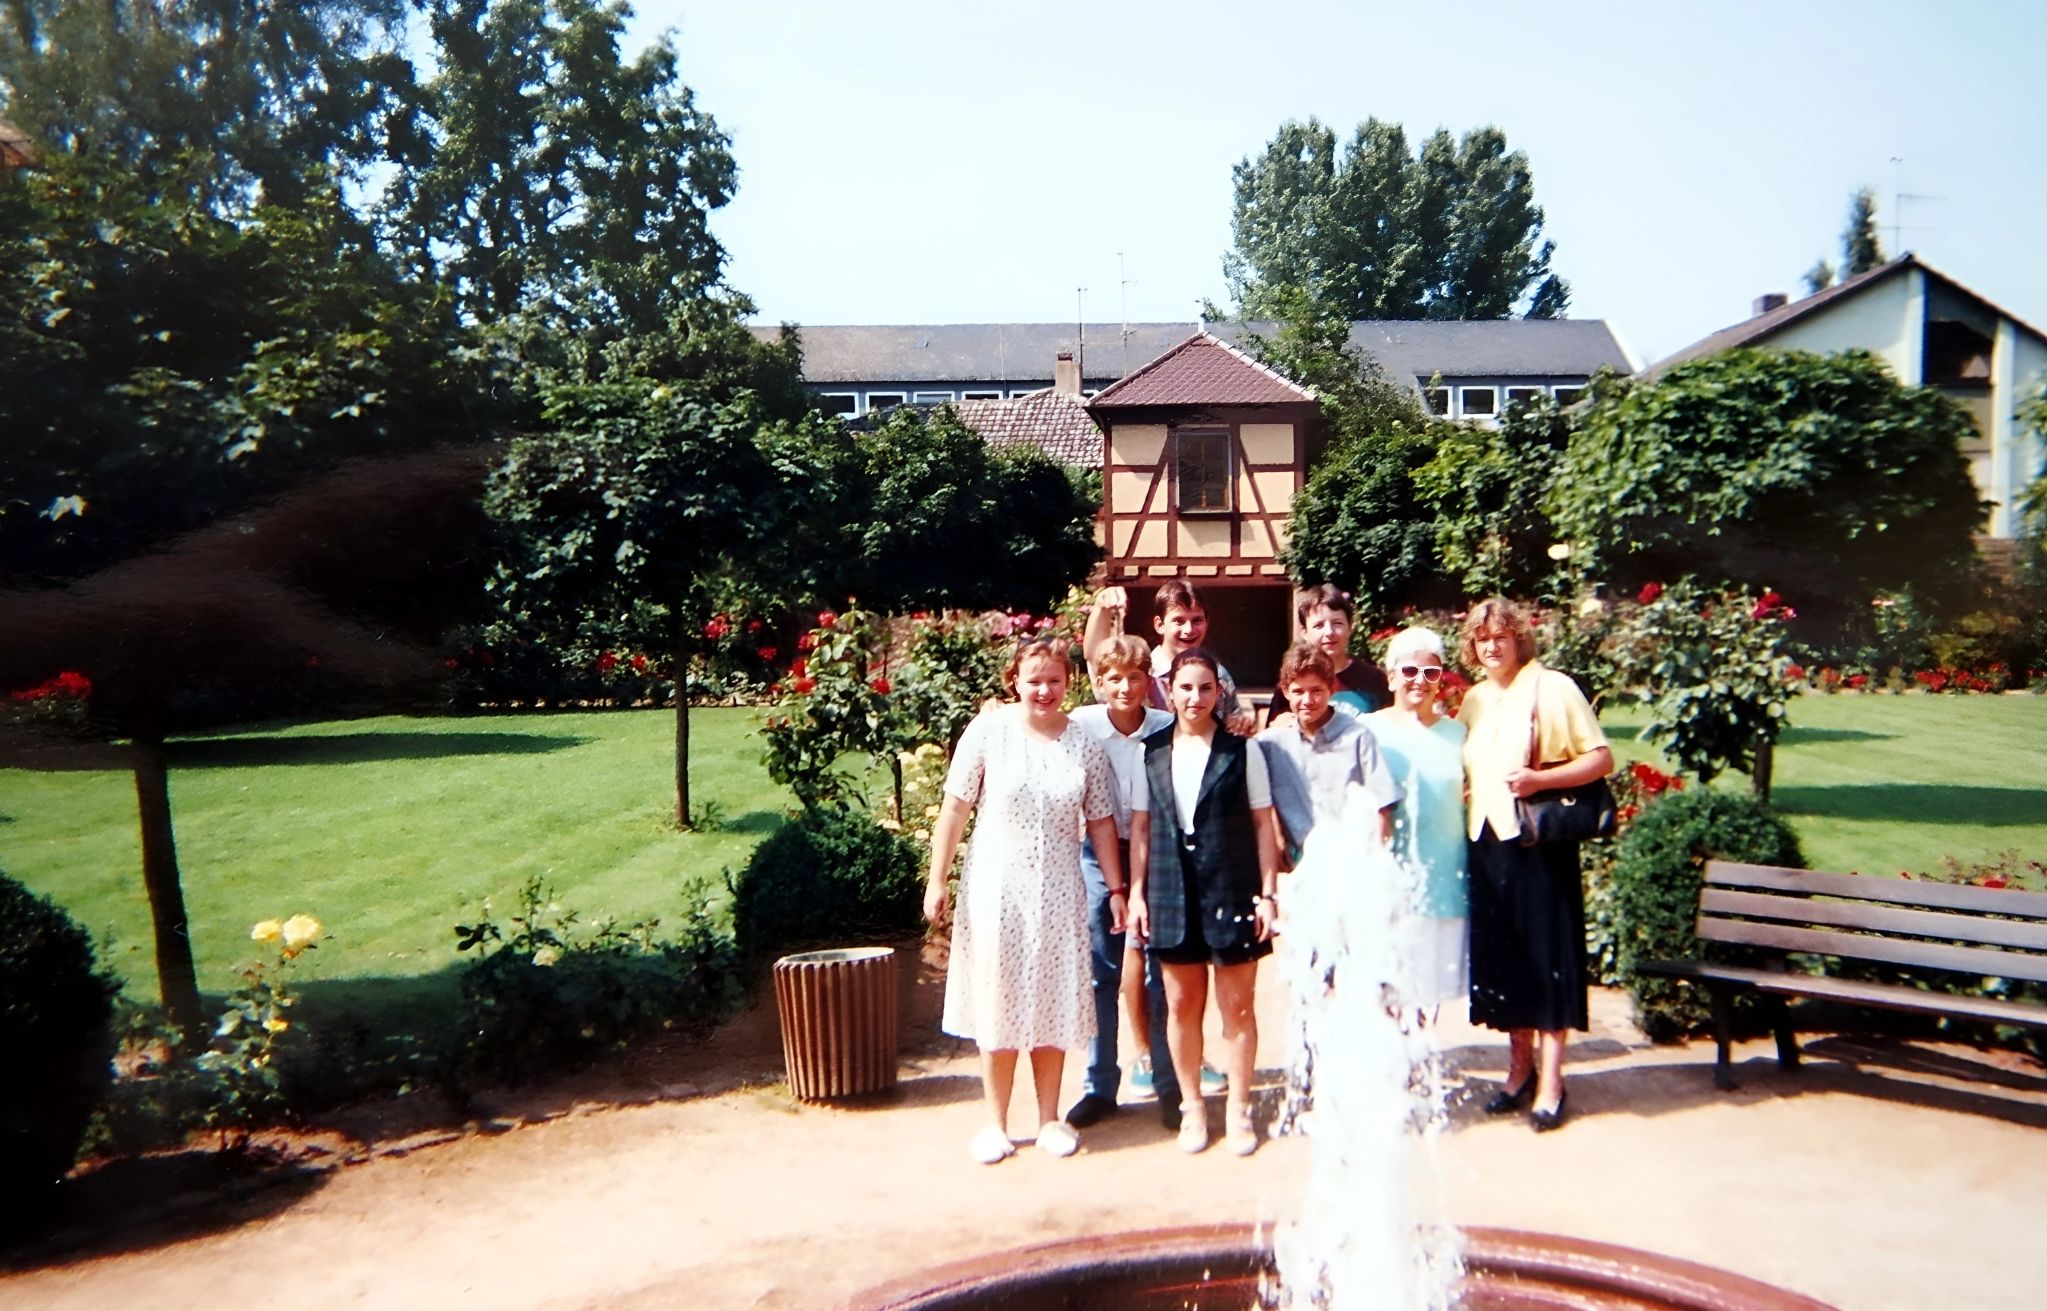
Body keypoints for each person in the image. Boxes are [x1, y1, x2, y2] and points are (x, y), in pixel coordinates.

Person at [924, 635, 1124, 1163]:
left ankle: (1049, 1119)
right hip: (997, 888)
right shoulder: (989, 732)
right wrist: (936, 879)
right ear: (1015, 680)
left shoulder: (1083, 743)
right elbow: (954, 809)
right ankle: (995, 1123)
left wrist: (1118, 888)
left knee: (1052, 1001)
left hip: (1060, 891)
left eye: (1054, 680)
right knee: (1000, 999)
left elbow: (1101, 822)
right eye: (1034, 679)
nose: (1044, 689)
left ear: (1068, 682)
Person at [1457, 598, 1613, 1132]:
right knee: (1507, 962)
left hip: (1538, 845)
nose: (1492, 646)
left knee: (1549, 959)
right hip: (1487, 845)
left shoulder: (1554, 688)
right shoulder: (1474, 700)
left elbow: (1600, 758)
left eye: (1501, 636)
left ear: (1519, 639)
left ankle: (1552, 1081)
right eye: (1482, 639)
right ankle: (1517, 1070)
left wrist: (1541, 780)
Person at [1128, 648, 1282, 1156]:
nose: (1196, 698)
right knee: (1180, 1003)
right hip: (1171, 890)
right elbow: (1143, 829)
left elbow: (1264, 824)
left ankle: (1238, 1109)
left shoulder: (1242, 751)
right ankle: (1193, 1107)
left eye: (1206, 688)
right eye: (1186, 688)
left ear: (1219, 693)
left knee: (1237, 1006)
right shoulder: (1149, 751)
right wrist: (1137, 896)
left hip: (1232, 886)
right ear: (1170, 691)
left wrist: (1267, 895)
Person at [1064, 635, 1184, 1131]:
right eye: (1114, 678)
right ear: (1099, 683)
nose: (1126, 687)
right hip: (1099, 852)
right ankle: (1099, 1085)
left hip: (1156, 855)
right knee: (1100, 971)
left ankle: (1169, 1084)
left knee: (1160, 970)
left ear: (1148, 682)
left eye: (1135, 677)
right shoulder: (1083, 726)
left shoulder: (1166, 727)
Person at [1367, 627, 1470, 1015]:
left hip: (1442, 876)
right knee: (1385, 983)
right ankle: (1389, 1068)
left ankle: (1416, 1071)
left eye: (1431, 673)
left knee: (1427, 988)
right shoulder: (1368, 729)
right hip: (1386, 878)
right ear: (1391, 676)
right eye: (1409, 671)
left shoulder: (1457, 733)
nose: (1419, 682)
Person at [1256, 642, 1400, 862]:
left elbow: (1382, 806)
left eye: (1316, 691)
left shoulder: (1358, 737)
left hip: (1352, 861)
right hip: (1298, 866)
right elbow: (1260, 805)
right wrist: (1276, 841)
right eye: (1298, 692)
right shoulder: (1271, 744)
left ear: (1331, 689)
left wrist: (1377, 864)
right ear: (1285, 691)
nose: (1307, 701)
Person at [1083, 582, 1257, 734]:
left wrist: (1240, 724)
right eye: (1179, 621)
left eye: (1197, 620)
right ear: (1160, 625)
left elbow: (1232, 720)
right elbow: (1096, 656)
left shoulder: (1218, 674)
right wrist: (1101, 608)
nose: (1189, 630)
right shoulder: (1141, 671)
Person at [1267, 584, 1391, 723]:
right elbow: (1273, 733)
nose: (1329, 632)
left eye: (1337, 623)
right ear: (1305, 632)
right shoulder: (1294, 681)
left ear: (1350, 627)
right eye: (1319, 625)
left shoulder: (1374, 680)